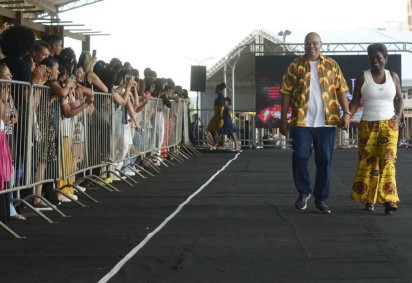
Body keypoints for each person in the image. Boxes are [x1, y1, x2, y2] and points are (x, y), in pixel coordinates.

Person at [279, 32, 350, 213]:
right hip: (301, 121)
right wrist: (283, 118)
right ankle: (304, 192)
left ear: (321, 44)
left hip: (326, 122)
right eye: (308, 43)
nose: (312, 46)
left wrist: (347, 113)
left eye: (315, 43)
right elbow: (286, 92)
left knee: (324, 160)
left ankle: (321, 199)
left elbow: (342, 90)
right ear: (304, 45)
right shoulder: (295, 65)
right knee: (300, 156)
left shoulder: (331, 65)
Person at [340, 43, 403, 214]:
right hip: (367, 124)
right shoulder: (363, 77)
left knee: (388, 161)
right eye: (372, 58)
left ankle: (389, 200)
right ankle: (369, 200)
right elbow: (355, 102)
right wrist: (347, 116)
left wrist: (398, 115)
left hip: (389, 124)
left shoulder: (393, 76)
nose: (375, 61)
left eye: (378, 58)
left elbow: (399, 98)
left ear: (385, 59)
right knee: (368, 162)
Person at [207, 82, 226, 147]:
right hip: (217, 114)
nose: (215, 90)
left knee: (217, 129)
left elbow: (221, 106)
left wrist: (218, 115)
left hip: (219, 115)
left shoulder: (221, 96)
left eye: (216, 89)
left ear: (218, 89)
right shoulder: (220, 96)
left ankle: (219, 144)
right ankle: (217, 143)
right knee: (213, 128)